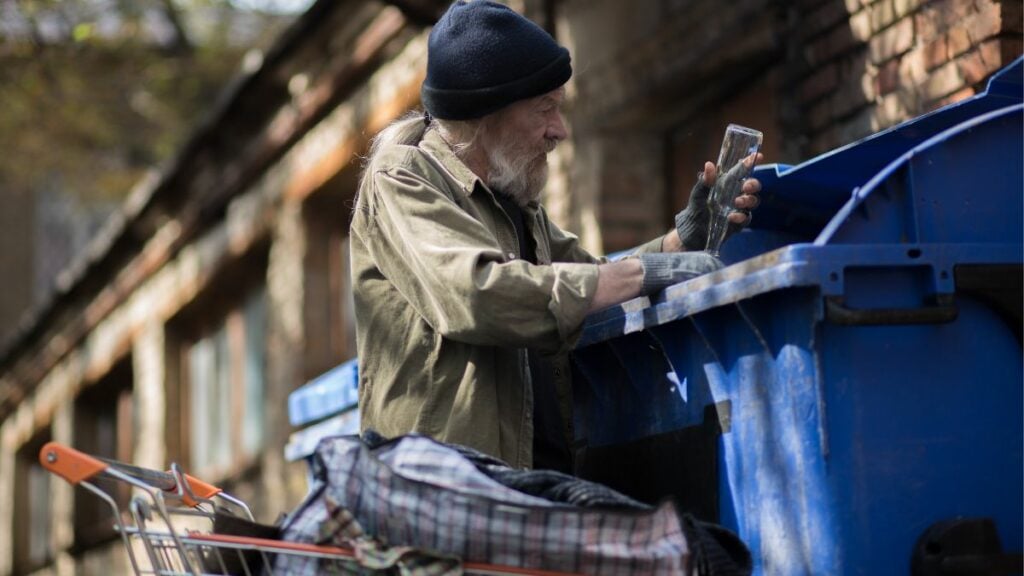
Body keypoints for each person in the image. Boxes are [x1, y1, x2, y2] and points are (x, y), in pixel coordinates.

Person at [350, 0, 761, 471]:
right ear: (487, 113)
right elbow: (477, 294)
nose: (559, 131)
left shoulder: (512, 200)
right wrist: (644, 273)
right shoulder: (401, 178)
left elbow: (592, 280)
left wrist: (681, 241)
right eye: (545, 109)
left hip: (532, 480)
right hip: (445, 486)